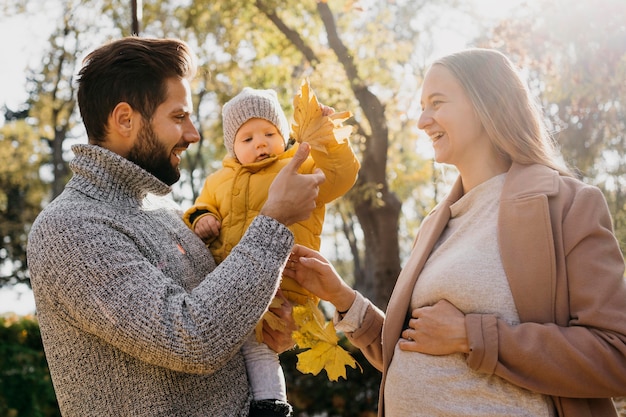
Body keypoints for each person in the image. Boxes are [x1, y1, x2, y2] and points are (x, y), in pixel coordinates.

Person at [283, 48, 626, 417]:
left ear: (487, 105)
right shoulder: (436, 223)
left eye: (437, 103)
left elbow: (616, 354)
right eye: (421, 105)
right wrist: (343, 298)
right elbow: (415, 348)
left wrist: (471, 335)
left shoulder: (568, 205)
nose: (421, 121)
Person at [26, 37, 326, 417]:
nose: (193, 134)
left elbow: (218, 317)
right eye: (179, 117)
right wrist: (275, 220)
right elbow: (192, 338)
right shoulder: (69, 229)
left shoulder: (163, 210)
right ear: (124, 119)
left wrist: (264, 327)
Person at [182, 87, 360, 415]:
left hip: (284, 285)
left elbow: (339, 176)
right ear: (232, 147)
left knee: (262, 348)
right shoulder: (218, 180)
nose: (260, 142)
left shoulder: (299, 167)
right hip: (229, 284)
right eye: (247, 139)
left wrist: (328, 139)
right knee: (233, 350)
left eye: (269, 132)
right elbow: (199, 207)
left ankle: (271, 405)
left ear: (283, 135)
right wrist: (203, 218)